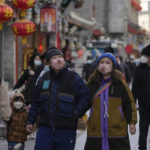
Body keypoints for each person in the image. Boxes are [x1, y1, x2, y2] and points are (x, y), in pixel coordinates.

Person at [26, 47, 90, 150]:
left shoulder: (74, 77)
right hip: (45, 129)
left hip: (66, 130)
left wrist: (77, 112)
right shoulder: (43, 78)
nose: (58, 59)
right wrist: (30, 121)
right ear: (49, 63)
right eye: (54, 58)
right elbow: (35, 101)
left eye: (60, 57)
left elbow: (86, 96)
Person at [84, 53, 137, 150]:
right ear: (97, 65)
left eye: (108, 63)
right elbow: (83, 102)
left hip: (117, 130)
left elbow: (129, 104)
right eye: (101, 62)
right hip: (95, 130)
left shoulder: (120, 83)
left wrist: (132, 122)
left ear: (113, 66)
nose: (104, 65)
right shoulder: (92, 83)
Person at [132, 44, 150, 150]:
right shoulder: (140, 69)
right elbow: (135, 87)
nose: (142, 57)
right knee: (143, 128)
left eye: (145, 55)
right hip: (144, 105)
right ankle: (142, 147)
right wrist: (132, 102)